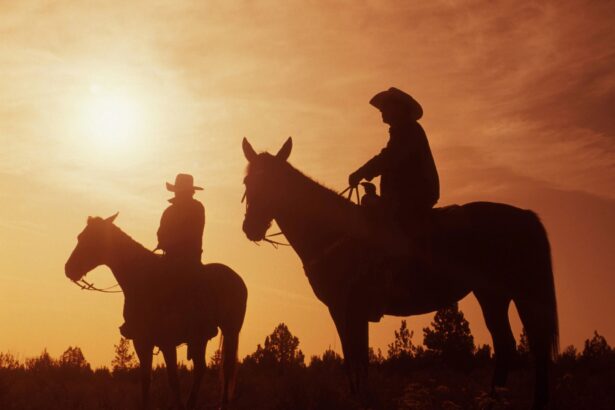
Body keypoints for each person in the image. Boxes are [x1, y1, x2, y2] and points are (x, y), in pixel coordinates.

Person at [120, 173, 205, 340]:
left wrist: (172, 242)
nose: (178, 194)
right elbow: (160, 232)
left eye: (181, 191)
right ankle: (139, 320)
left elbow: (193, 232)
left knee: (184, 282)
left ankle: (196, 322)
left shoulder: (197, 208)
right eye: (178, 191)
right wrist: (164, 241)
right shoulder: (169, 211)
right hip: (170, 256)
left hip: (189, 258)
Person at [349, 87, 439, 235]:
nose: (382, 112)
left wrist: (361, 172)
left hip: (413, 195)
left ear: (397, 108)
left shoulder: (408, 130)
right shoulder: (406, 129)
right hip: (407, 194)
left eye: (385, 108)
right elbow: (391, 160)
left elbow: (388, 157)